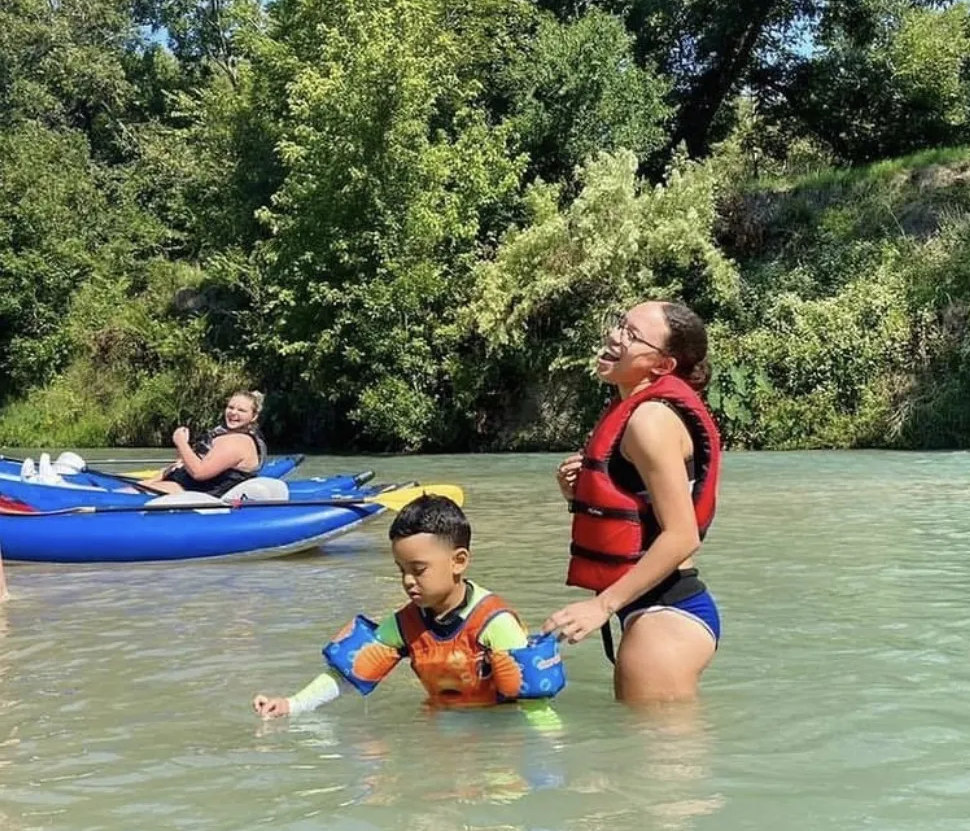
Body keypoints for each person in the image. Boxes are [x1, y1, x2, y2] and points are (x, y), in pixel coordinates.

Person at [545, 301, 723, 704]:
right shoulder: (632, 410)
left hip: (666, 615)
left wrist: (601, 607)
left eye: (632, 335)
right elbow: (642, 518)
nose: (614, 336)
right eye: (620, 324)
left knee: (657, 761)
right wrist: (580, 496)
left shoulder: (649, 422)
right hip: (654, 610)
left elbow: (683, 536)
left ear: (662, 366)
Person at [253, 495, 565, 718]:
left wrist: (548, 755)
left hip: (497, 730)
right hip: (439, 723)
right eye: (401, 569)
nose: (407, 581)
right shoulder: (404, 625)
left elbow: (535, 706)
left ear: (459, 562)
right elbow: (350, 674)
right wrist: (292, 705)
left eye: (418, 569)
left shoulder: (495, 623)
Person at [141, 390, 267, 497]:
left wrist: (180, 442)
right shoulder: (225, 435)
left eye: (242, 410)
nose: (233, 413)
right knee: (138, 487)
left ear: (254, 416)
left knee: (134, 493)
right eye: (230, 407)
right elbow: (189, 463)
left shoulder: (238, 442)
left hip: (195, 494)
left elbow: (199, 473)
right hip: (184, 484)